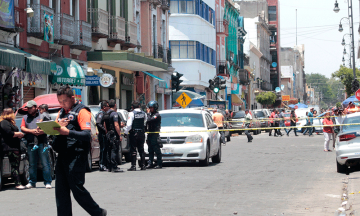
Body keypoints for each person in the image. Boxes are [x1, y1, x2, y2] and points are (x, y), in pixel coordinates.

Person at [52, 86, 106, 216]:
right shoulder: (62, 112)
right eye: (60, 101)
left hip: (76, 155)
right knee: (60, 191)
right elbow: (56, 129)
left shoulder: (82, 111)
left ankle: (98, 212)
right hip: (62, 154)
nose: (62, 104)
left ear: (72, 98)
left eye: (64, 101)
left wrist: (68, 132)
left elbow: (87, 135)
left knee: (77, 189)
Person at [20, 100, 52, 189]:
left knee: (45, 163)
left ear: (35, 107)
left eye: (30, 108)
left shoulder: (43, 115)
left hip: (42, 142)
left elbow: (49, 127)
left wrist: (40, 132)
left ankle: (47, 182)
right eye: (28, 108)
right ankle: (32, 182)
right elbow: (22, 128)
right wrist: (32, 131)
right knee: (32, 164)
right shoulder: (25, 117)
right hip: (30, 143)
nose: (29, 110)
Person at [0, 108, 26, 190]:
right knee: (14, 166)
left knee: (16, 166)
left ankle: (18, 183)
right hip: (10, 147)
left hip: (13, 146)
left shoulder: (9, 123)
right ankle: (17, 184)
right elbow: (8, 133)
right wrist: (18, 134)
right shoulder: (4, 122)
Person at [124, 101, 148, 171]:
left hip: (134, 133)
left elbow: (129, 125)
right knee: (141, 149)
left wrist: (126, 132)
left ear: (132, 107)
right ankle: (143, 165)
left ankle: (133, 166)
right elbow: (145, 122)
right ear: (139, 106)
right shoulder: (144, 113)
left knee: (133, 150)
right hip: (141, 133)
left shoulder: (131, 114)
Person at [103, 99, 123, 173]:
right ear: (115, 105)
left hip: (108, 134)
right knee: (114, 150)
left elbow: (104, 124)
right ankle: (114, 166)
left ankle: (109, 167)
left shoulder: (106, 113)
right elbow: (116, 125)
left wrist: (106, 132)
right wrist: (119, 134)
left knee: (109, 150)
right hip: (114, 134)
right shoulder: (114, 114)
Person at [145, 101, 162, 169]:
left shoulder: (157, 115)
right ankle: (150, 163)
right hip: (150, 134)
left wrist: (148, 114)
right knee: (150, 150)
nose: (149, 109)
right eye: (149, 107)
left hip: (155, 134)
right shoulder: (149, 115)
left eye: (151, 108)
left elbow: (149, 120)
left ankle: (159, 163)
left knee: (156, 149)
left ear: (155, 108)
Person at [96, 100, 109, 171]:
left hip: (104, 134)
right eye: (107, 106)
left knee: (105, 150)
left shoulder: (104, 113)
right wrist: (104, 130)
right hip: (102, 135)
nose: (108, 107)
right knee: (103, 150)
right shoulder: (101, 113)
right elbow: (98, 123)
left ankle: (104, 164)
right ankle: (102, 165)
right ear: (104, 107)